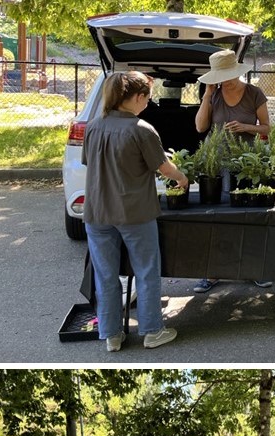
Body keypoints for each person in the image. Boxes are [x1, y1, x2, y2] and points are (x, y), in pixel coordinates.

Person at [82, 71, 187, 351]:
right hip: (134, 213)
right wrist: (182, 178)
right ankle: (152, 331)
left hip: (97, 213)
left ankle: (111, 336)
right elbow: (164, 167)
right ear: (137, 97)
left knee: (105, 276)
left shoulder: (92, 126)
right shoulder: (141, 129)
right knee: (147, 272)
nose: (148, 104)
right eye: (147, 99)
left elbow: (88, 164)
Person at [194, 49, 272, 292]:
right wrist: (207, 95)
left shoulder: (254, 93)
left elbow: (267, 128)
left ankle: (253, 269)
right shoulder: (213, 95)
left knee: (247, 216)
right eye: (220, 75)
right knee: (215, 217)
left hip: (245, 164)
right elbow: (199, 127)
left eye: (227, 74)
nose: (224, 80)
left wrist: (247, 127)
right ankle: (213, 271)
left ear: (236, 72)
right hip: (215, 164)